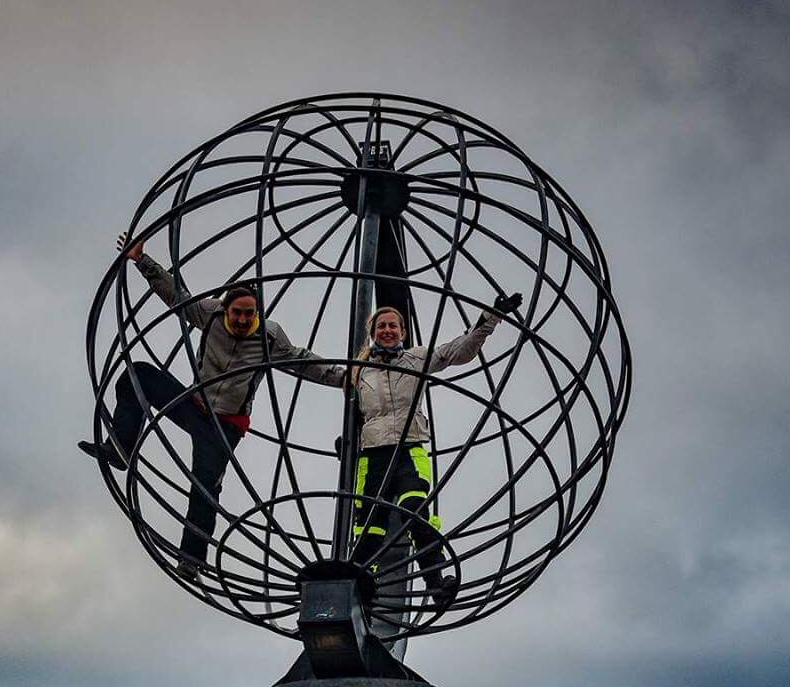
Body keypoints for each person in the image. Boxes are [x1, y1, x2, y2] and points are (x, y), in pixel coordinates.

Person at [82, 237, 339, 570]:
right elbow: (176, 296)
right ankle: (120, 447)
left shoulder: (269, 336)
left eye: (249, 314)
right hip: (194, 405)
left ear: (257, 313)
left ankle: (191, 559)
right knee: (137, 374)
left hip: (224, 427)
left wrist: (345, 377)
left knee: (204, 489)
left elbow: (301, 361)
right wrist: (142, 260)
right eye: (237, 313)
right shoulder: (211, 313)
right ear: (226, 309)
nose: (243, 320)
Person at [346, 298, 517, 609]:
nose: (387, 331)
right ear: (372, 333)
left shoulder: (417, 358)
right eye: (381, 326)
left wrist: (490, 317)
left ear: (403, 332)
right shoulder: (359, 370)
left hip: (409, 450)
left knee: (415, 510)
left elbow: (458, 351)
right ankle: (359, 587)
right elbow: (316, 369)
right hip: (372, 455)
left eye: (393, 326)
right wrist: (273, 350)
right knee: (369, 522)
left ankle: (436, 582)